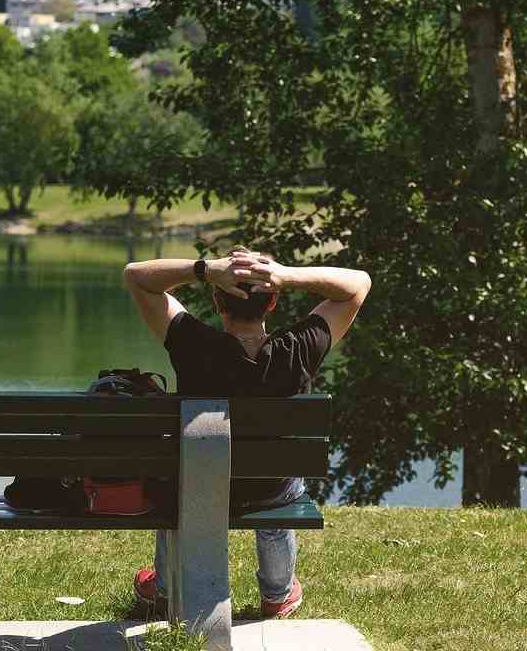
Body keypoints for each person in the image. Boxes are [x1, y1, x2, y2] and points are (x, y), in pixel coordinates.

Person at [122, 247, 371, 619]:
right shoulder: (298, 349)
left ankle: (164, 589)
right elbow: (358, 284)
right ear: (272, 303)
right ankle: (278, 593)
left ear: (217, 300)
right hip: (270, 488)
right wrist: (286, 275)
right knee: (283, 482)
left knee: (181, 473)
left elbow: (135, 276)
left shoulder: (192, 343)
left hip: (200, 484)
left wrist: (206, 269)